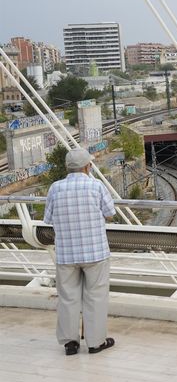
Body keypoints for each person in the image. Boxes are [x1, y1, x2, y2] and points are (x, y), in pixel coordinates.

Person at [44, 148, 116, 356]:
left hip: (66, 253)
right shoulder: (96, 186)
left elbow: (48, 219)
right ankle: (95, 343)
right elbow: (110, 214)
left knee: (68, 298)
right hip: (95, 252)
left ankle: (70, 343)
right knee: (96, 297)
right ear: (87, 166)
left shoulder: (55, 188)